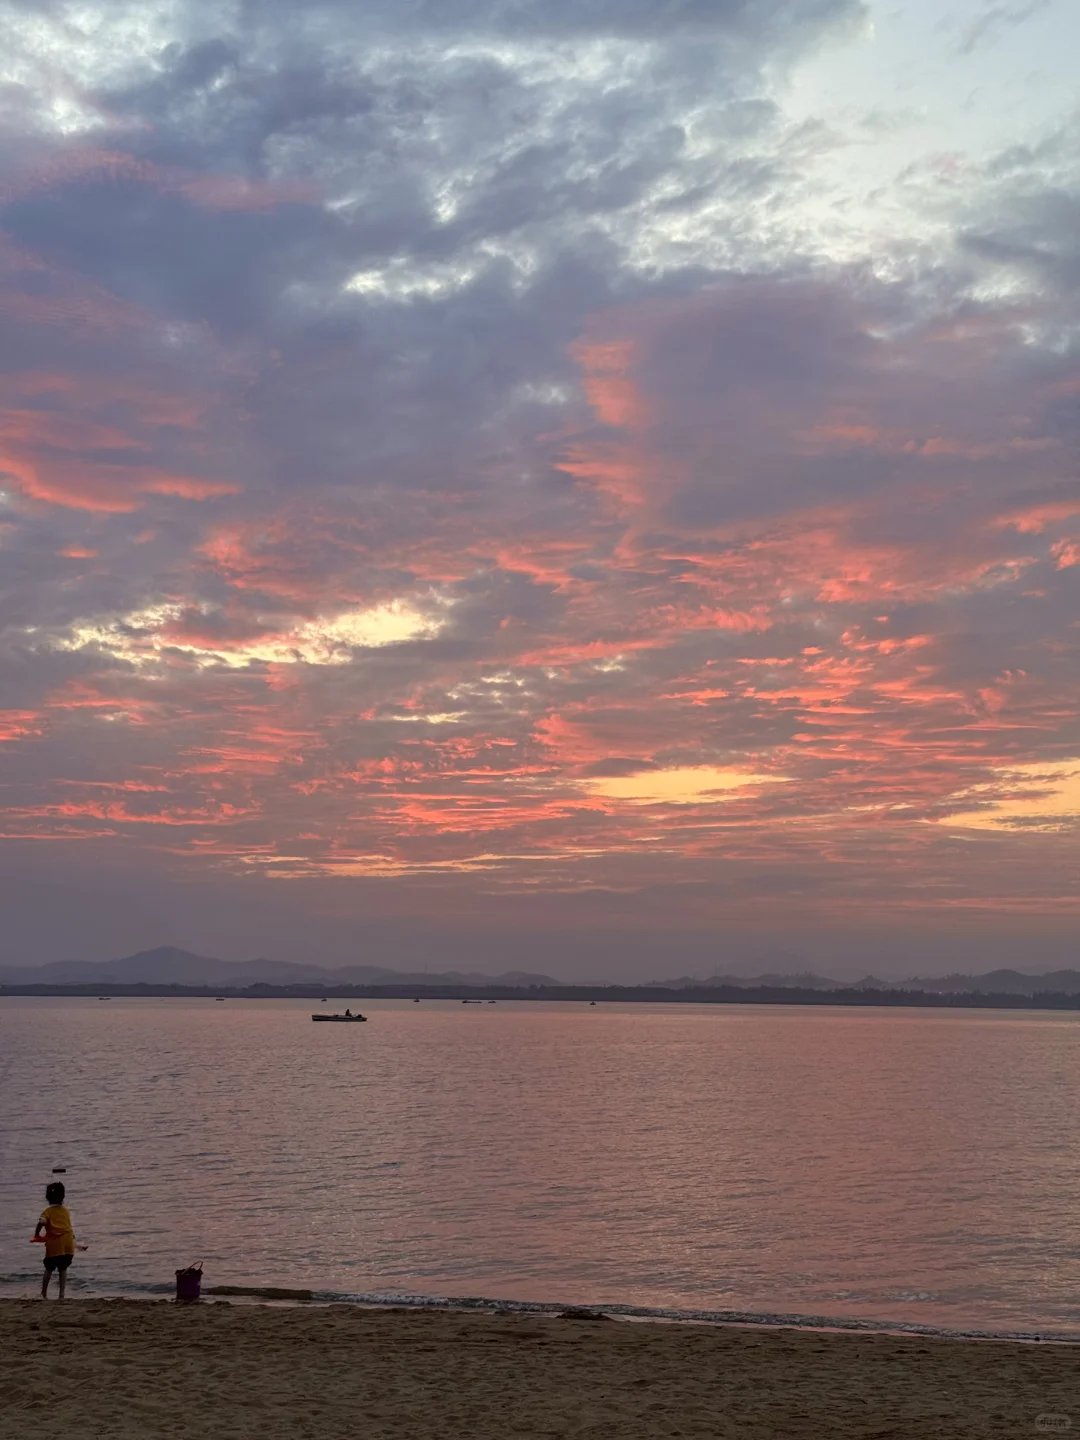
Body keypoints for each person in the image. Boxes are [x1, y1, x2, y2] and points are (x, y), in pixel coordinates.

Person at [35, 1181, 82, 1300]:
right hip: (67, 1244)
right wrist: (74, 1241)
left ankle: (43, 1293)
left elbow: (42, 1221)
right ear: (63, 1196)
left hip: (54, 1245)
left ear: (47, 1197)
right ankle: (61, 1295)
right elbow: (68, 1227)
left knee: (49, 1268)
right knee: (63, 1268)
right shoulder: (65, 1211)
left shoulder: (47, 1212)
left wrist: (37, 1234)